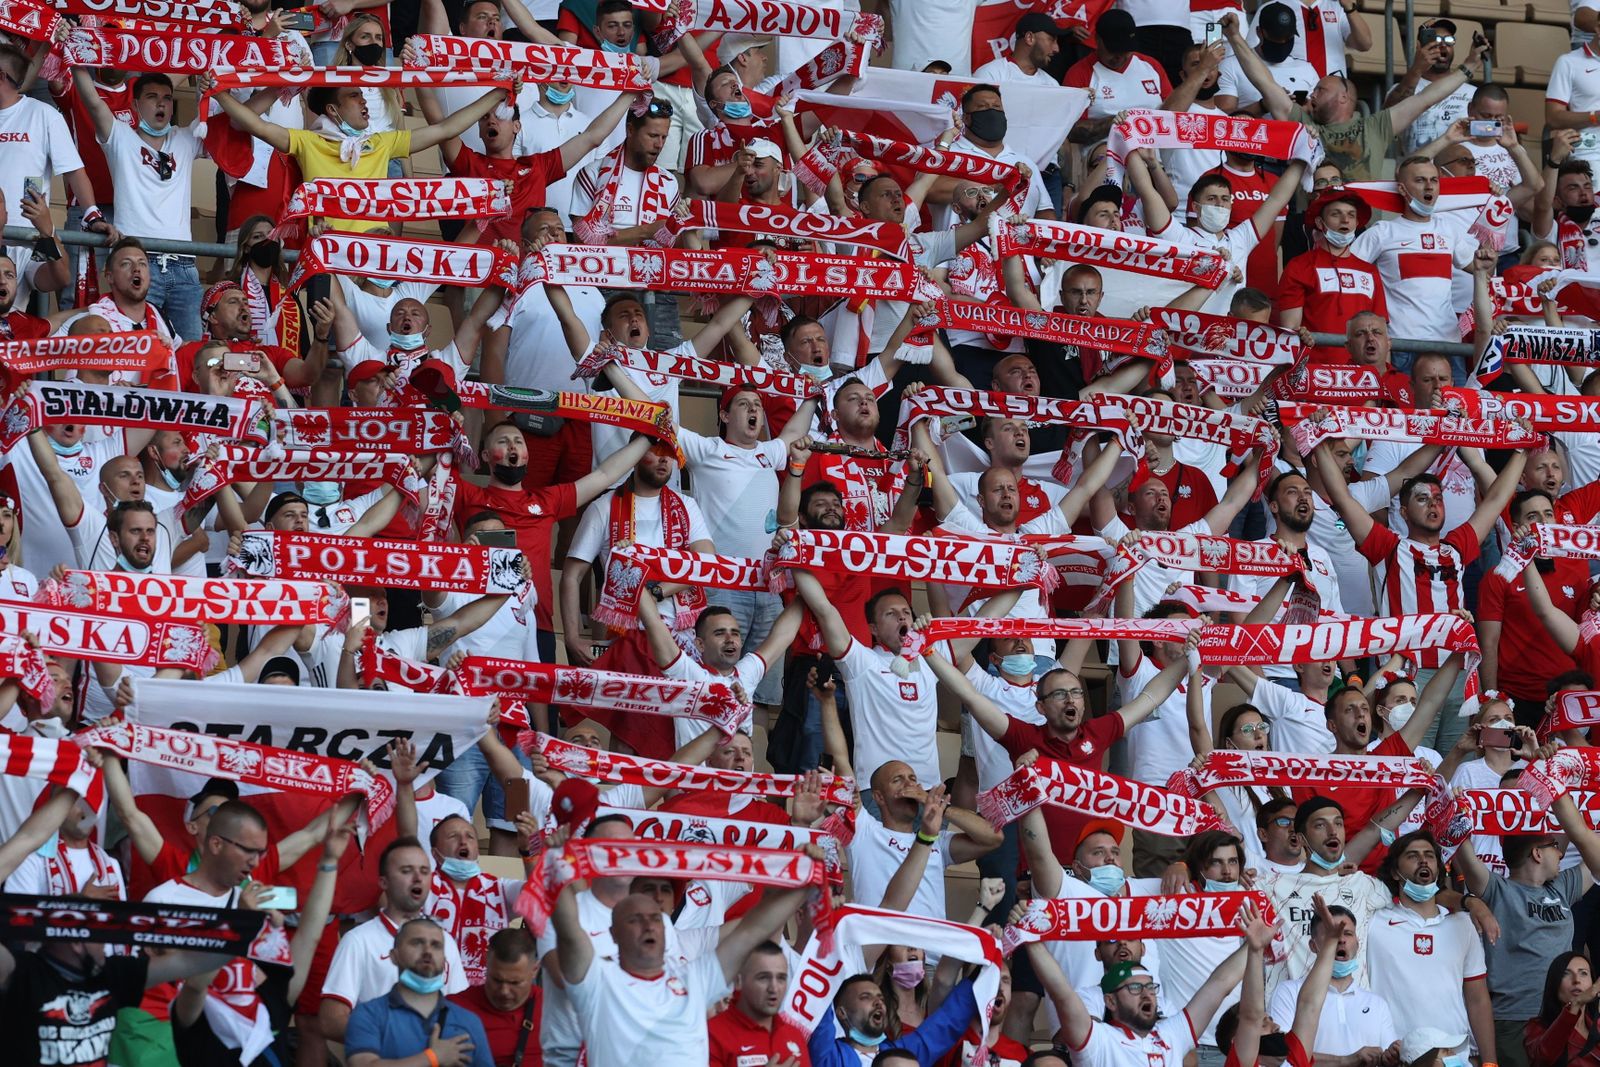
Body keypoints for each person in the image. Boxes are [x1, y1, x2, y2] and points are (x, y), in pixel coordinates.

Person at [550, 829, 821, 1066]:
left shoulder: (693, 980)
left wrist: (807, 878)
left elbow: (754, 930)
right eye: (635, 920)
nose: (649, 925)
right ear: (613, 933)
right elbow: (569, 930)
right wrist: (557, 865)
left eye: (656, 918)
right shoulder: (597, 980)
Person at [344, 917, 494, 1067]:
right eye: (417, 943)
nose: (428, 951)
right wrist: (432, 1058)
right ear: (394, 956)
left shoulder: (468, 1021)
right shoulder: (369, 1014)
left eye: (436, 945)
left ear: (444, 960)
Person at [707, 941, 809, 1066]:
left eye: (781, 978)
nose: (774, 988)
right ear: (738, 981)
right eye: (763, 977)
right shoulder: (710, 1034)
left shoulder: (794, 1035)